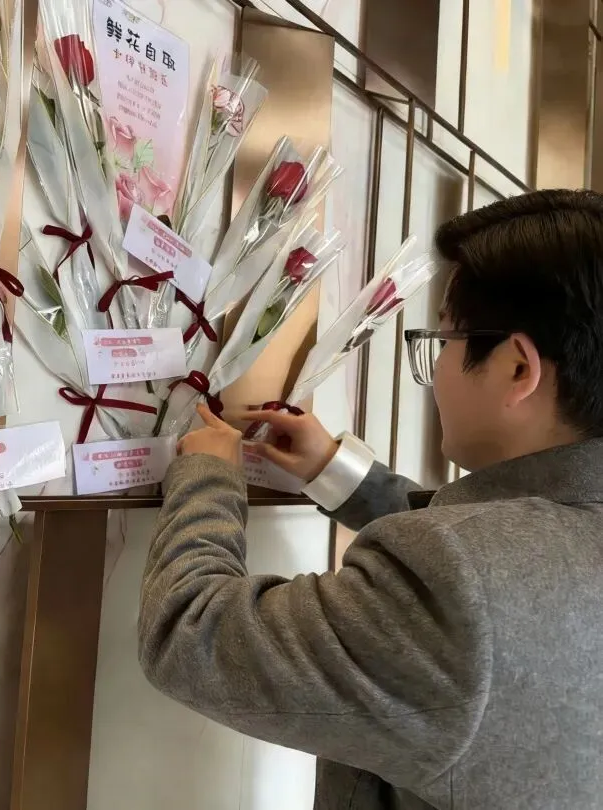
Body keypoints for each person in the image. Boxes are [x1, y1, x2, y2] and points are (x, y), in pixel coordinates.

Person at [137, 189, 603, 809]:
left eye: (444, 339)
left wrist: (207, 477)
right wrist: (335, 472)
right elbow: (512, 550)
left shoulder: (462, 588)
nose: (436, 369)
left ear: (518, 368)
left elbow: (189, 632)